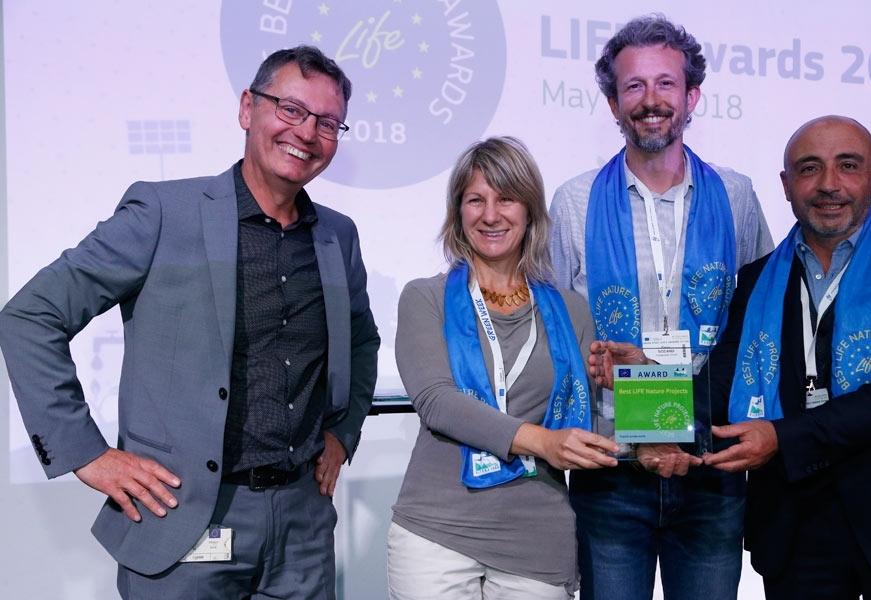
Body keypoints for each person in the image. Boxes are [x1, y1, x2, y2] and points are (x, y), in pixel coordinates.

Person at [0, 46, 380, 599]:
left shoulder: (337, 236)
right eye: (291, 109)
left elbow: (362, 340)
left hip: (302, 528)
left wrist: (342, 434)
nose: (307, 132)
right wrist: (85, 453)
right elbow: (31, 316)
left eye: (327, 122)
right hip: (181, 520)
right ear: (247, 108)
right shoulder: (163, 214)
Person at [549, 14, 773, 599]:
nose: (651, 100)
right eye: (634, 86)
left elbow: (759, 321)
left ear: (692, 95)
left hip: (710, 465)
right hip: (612, 465)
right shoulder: (573, 202)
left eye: (666, 83)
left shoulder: (737, 195)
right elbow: (557, 331)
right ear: (613, 103)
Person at [700, 115, 871, 598]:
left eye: (848, 165)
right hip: (796, 527)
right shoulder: (757, 278)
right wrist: (647, 390)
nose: (829, 184)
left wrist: (781, 437)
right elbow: (722, 382)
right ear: (786, 184)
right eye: (809, 168)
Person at [388, 137, 619, 599]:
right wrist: (543, 442)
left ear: (530, 210)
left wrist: (634, 384)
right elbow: (437, 403)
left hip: (537, 541)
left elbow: (595, 429)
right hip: (436, 535)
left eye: (506, 198)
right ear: (458, 212)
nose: (490, 215)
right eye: (476, 200)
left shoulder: (572, 311)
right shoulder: (425, 298)